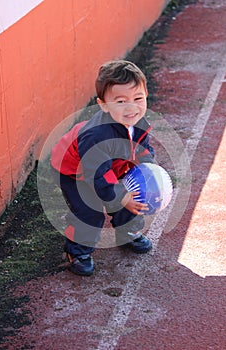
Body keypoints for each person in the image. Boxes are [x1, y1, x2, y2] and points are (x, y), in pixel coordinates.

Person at [51, 60, 155, 276]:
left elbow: (142, 149)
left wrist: (150, 171)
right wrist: (121, 197)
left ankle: (127, 232)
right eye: (120, 101)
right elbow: (98, 175)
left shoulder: (138, 121)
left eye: (138, 98)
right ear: (104, 105)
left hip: (111, 163)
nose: (131, 107)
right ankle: (77, 251)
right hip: (75, 170)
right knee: (90, 210)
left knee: (133, 192)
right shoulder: (95, 136)